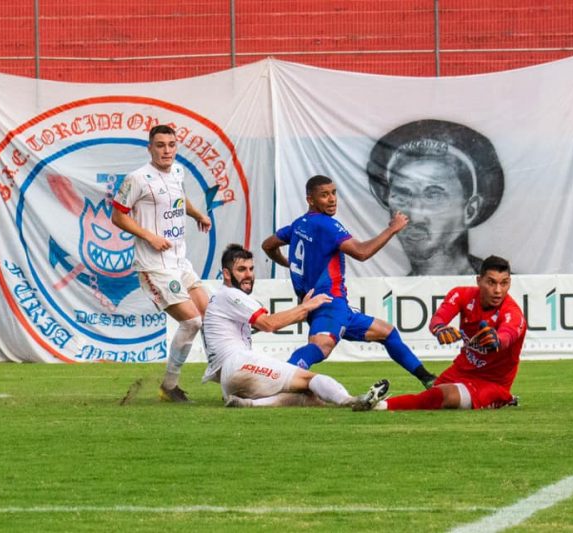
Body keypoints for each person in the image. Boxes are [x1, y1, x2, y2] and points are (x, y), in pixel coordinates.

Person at [261, 174, 437, 389]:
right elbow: (362, 253)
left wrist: (288, 263)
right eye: (324, 195)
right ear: (311, 200)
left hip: (323, 304)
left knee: (387, 332)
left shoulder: (299, 224)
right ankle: (278, 380)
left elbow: (268, 245)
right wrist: (393, 229)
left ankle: (427, 378)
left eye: (333, 193)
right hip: (330, 302)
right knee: (321, 346)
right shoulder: (328, 225)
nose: (332, 199)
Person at [202, 244, 390, 410]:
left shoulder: (221, 299)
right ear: (226, 274)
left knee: (306, 397)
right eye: (241, 269)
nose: (249, 275)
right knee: (309, 380)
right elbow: (269, 324)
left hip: (229, 380)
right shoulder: (230, 295)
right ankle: (351, 400)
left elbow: (266, 324)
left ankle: (249, 403)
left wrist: (302, 311)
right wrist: (305, 307)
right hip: (239, 364)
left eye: (251, 269)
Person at [111, 124, 212, 403]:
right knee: (192, 321)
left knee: (211, 316)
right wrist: (149, 236)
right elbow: (118, 216)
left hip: (180, 260)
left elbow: (179, 198)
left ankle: (226, 371)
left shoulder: (178, 171)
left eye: (171, 145)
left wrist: (197, 214)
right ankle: (169, 386)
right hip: (153, 265)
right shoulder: (138, 178)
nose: (166, 150)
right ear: (150, 148)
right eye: (160, 145)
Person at [370, 255, 525, 411]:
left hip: (491, 382)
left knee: (444, 396)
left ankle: (380, 406)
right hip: (461, 369)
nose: (498, 290)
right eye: (491, 282)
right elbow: (438, 319)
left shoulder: (513, 313)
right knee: (434, 395)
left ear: (509, 283)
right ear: (479, 281)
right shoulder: (462, 295)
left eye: (504, 283)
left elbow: (508, 335)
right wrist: (440, 329)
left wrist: (497, 340)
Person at [367, 119, 504, 276]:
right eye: (402, 195)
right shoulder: (386, 292)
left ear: (470, 210)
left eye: (433, 196)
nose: (415, 216)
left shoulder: (505, 292)